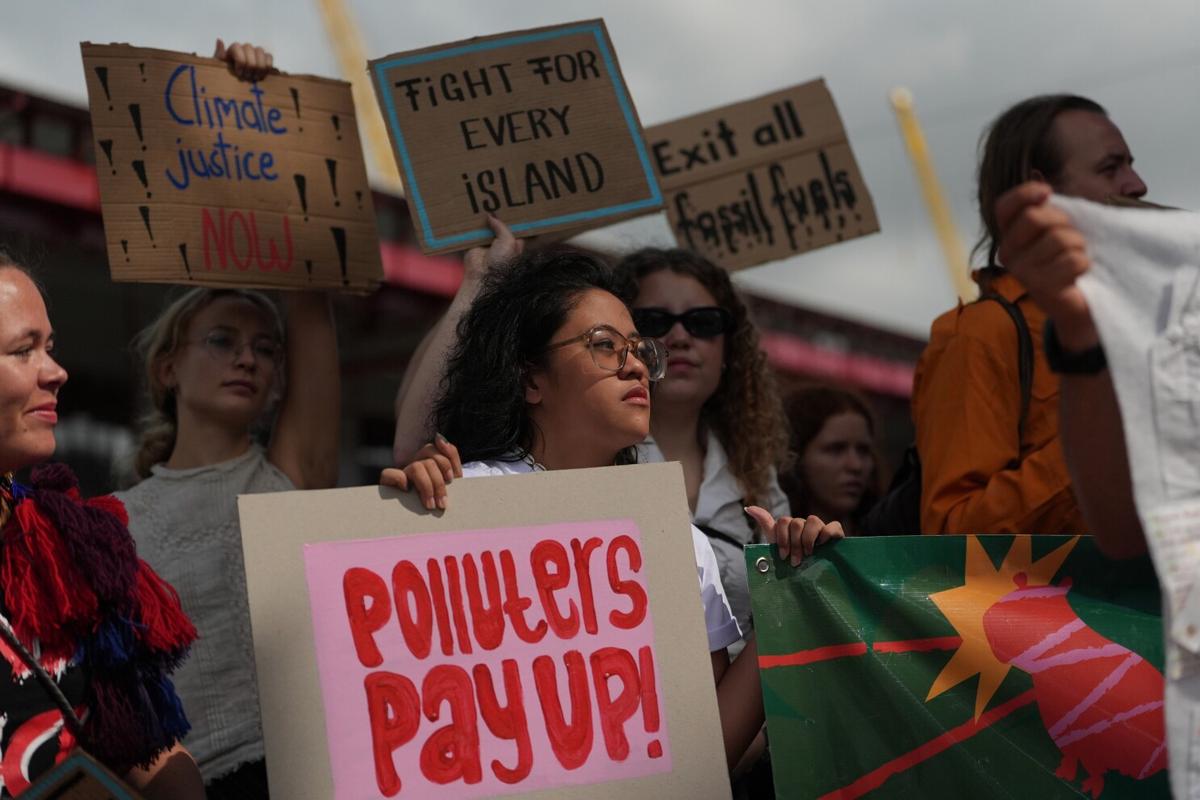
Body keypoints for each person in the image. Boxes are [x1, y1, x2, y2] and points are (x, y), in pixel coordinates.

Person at [381, 243, 844, 771]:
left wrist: (788, 597)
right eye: (605, 346)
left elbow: (706, 749)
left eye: (639, 350)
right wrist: (404, 510)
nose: (636, 367)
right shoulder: (458, 500)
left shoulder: (674, 538)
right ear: (530, 379)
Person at [0, 259, 203, 798]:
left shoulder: (69, 546)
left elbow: (148, 751)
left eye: (49, 346)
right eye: (23, 350)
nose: (56, 371)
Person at [911, 94, 1146, 534]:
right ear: (1043, 194)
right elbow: (954, 534)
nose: (1137, 185)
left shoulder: (1143, 323)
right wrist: (1106, 433)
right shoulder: (982, 334)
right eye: (1110, 168)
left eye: (1131, 165)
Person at [616, 248, 791, 655]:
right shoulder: (585, 458)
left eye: (704, 323)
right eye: (653, 321)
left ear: (731, 350)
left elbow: (783, 620)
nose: (679, 337)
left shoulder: (757, 476)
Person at [778, 386, 881, 535]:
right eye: (836, 450)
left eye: (863, 450)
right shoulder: (764, 538)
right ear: (795, 457)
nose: (856, 465)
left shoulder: (891, 534)